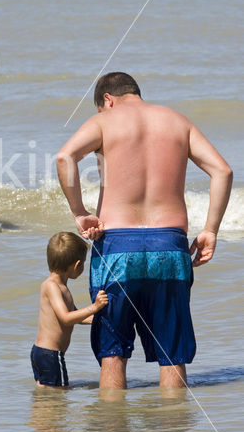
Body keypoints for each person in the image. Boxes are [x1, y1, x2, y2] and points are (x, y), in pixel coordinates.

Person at [56, 72, 232, 389]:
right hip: (170, 247)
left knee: (113, 354)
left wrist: (80, 212)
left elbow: (64, 156)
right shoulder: (178, 122)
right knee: (172, 355)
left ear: (107, 100)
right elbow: (222, 170)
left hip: (117, 249)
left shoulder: (104, 123)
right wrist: (211, 229)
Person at [31, 231, 109, 388]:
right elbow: (66, 318)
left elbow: (75, 316)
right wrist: (94, 307)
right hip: (51, 354)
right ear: (77, 265)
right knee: (60, 395)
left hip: (41, 353)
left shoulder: (60, 286)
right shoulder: (52, 286)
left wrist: (100, 320)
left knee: (45, 395)